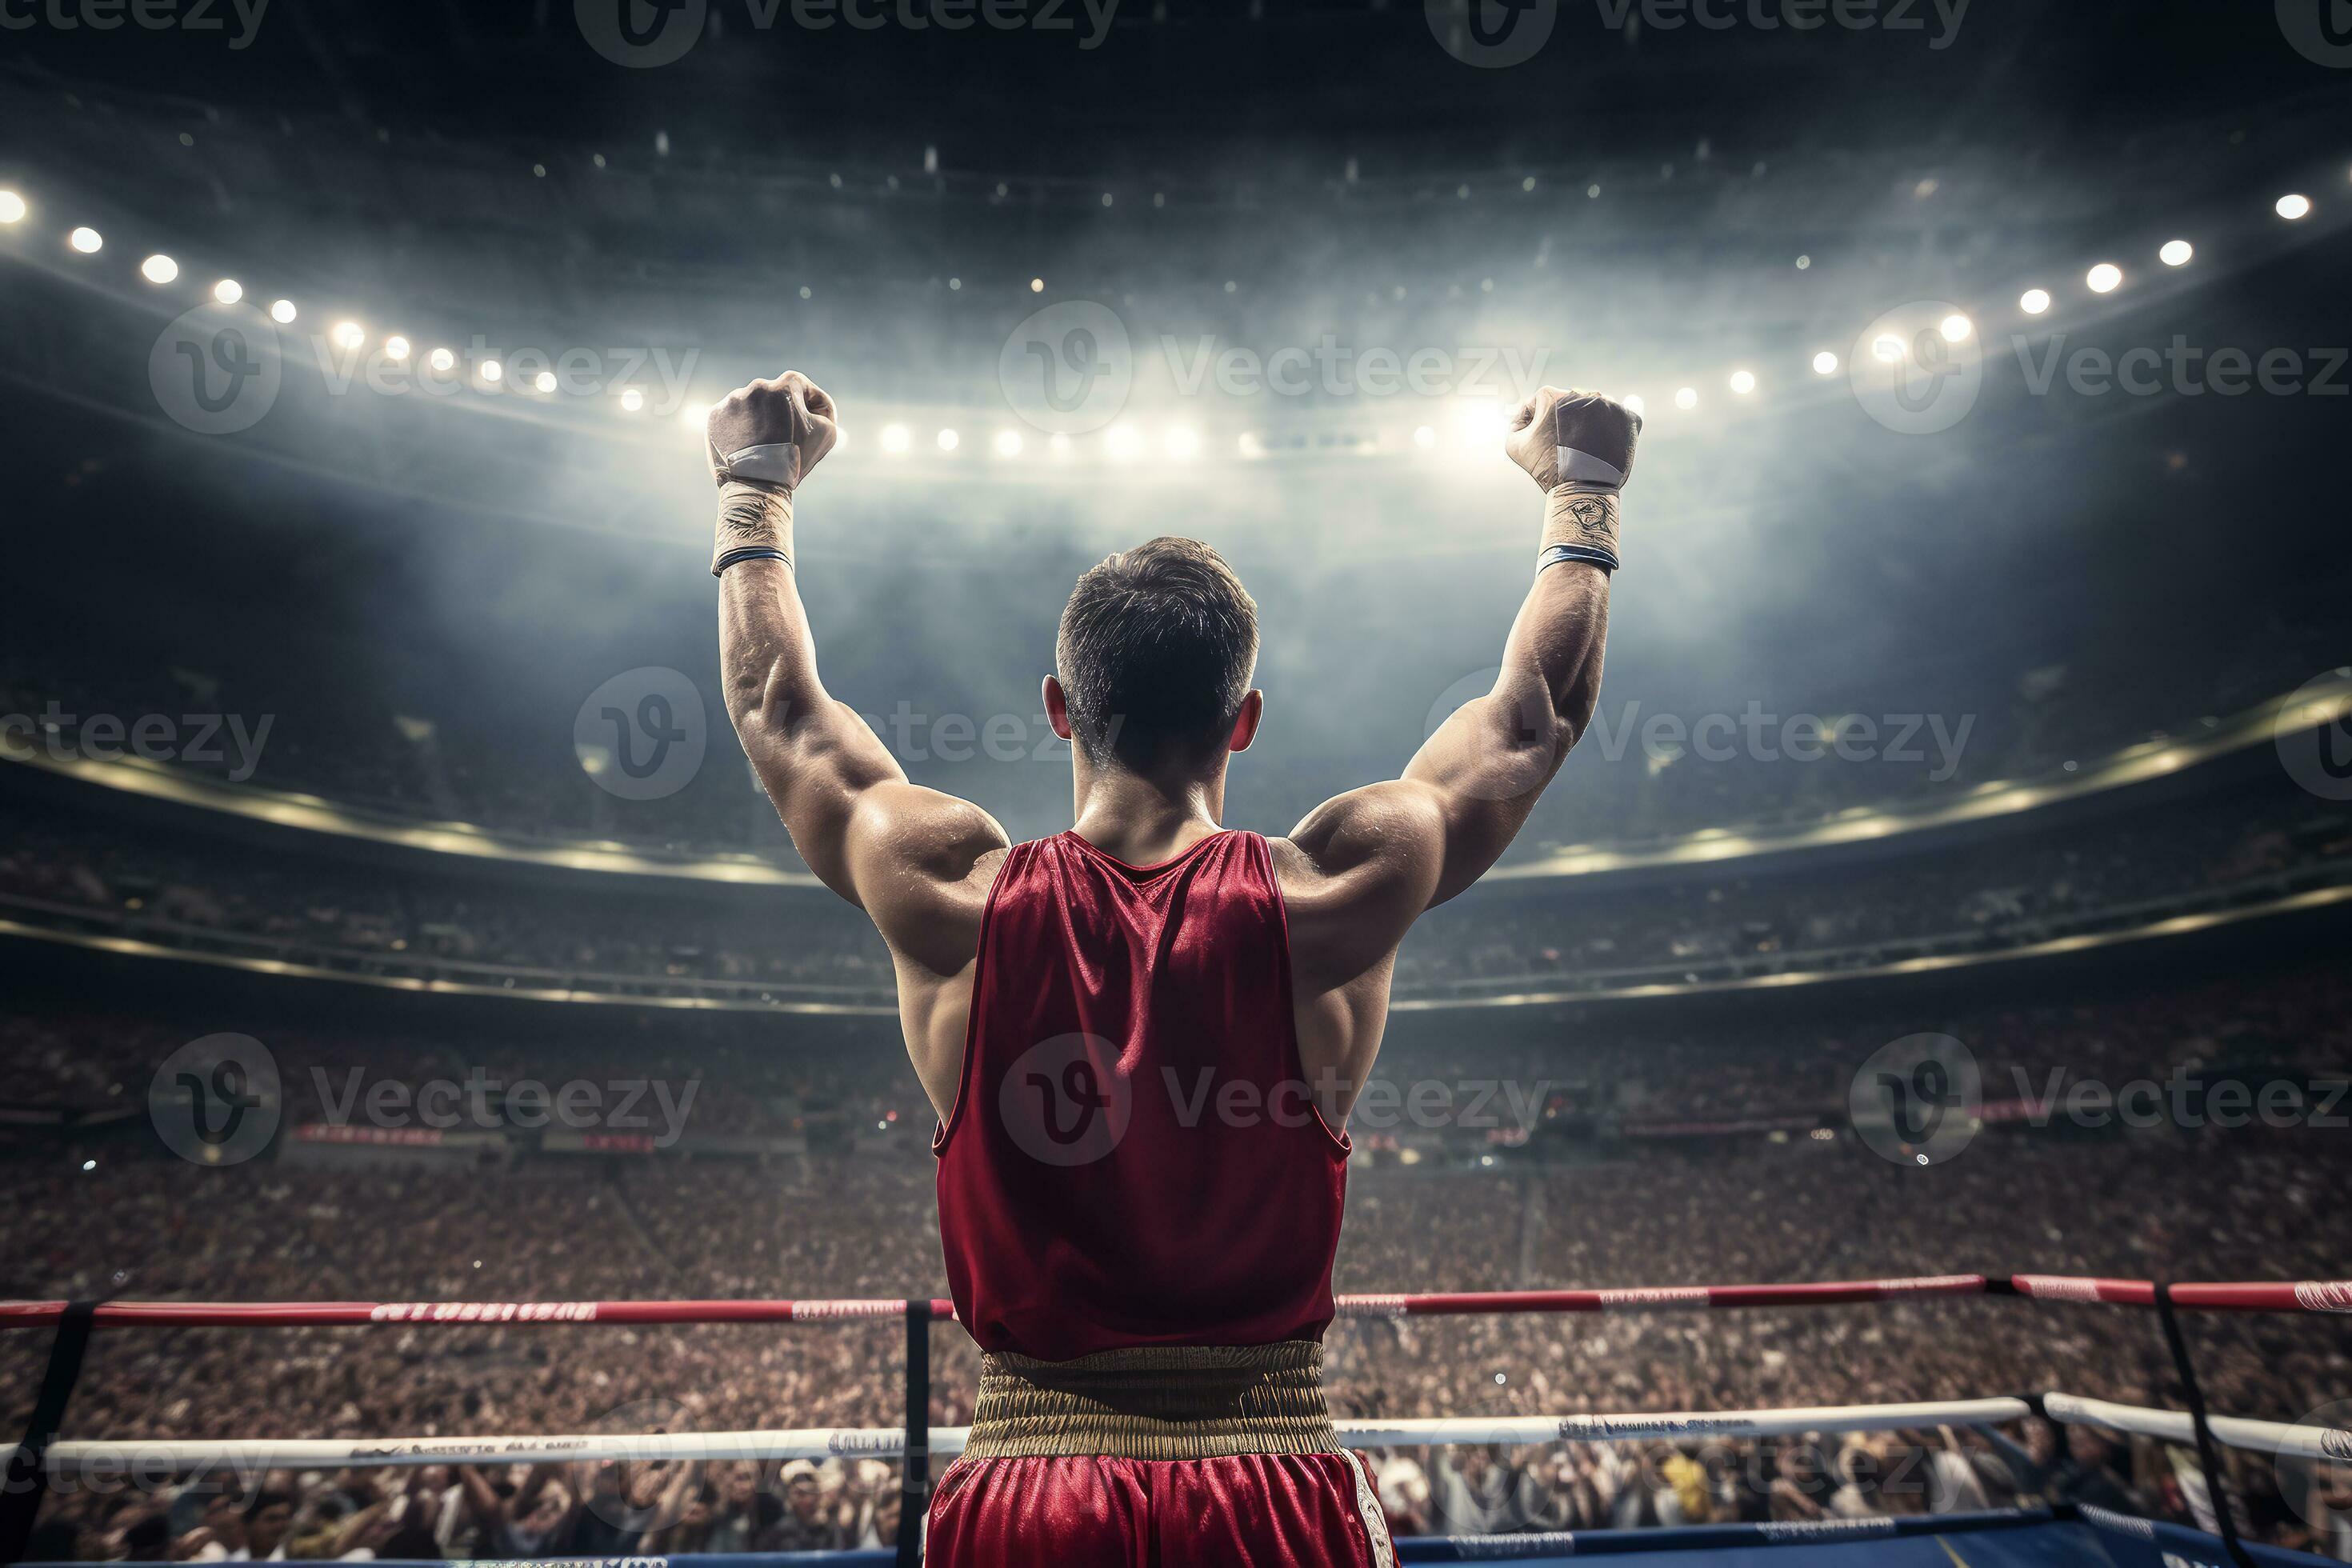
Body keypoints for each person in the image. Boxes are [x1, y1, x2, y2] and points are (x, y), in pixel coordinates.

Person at [706, 371, 1638, 1564]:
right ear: (1243, 718)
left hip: (1033, 1505)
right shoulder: (1333, 895)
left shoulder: (954, 894)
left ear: (1059, 708)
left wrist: (754, 491)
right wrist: (1584, 492)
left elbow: (779, 714)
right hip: (1270, 1493)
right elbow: (1531, 718)